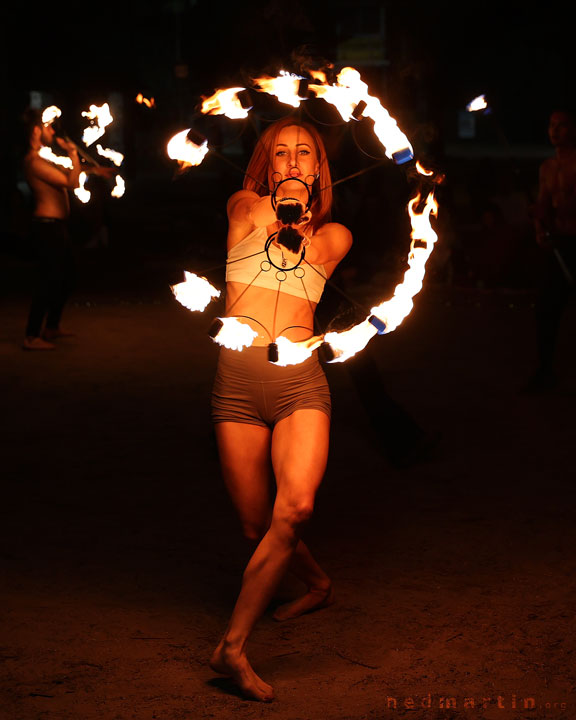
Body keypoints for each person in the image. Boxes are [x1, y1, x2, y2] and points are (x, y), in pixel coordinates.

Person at [209, 117, 352, 701]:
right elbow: (267, 217)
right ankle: (317, 581)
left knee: (292, 511)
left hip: (299, 388)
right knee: (254, 524)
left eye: (304, 155)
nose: (292, 163)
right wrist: (284, 204)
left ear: (319, 169)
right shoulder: (242, 207)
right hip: (237, 390)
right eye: (281, 154)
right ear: (265, 168)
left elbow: (302, 237)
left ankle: (232, 647)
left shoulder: (333, 238)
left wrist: (299, 212)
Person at [20, 108, 114, 351]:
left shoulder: (44, 160)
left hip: (57, 227)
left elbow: (69, 172)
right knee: (48, 280)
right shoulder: (33, 162)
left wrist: (95, 171)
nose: (52, 131)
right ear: (36, 131)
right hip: (46, 228)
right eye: (48, 127)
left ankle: (51, 327)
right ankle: (31, 336)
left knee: (68, 277)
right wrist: (73, 152)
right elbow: (71, 182)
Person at [529, 109, 576, 389]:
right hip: (557, 244)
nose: (555, 130)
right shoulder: (546, 168)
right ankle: (545, 371)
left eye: (562, 125)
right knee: (545, 308)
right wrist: (538, 225)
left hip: (575, 243)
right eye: (552, 125)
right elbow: (544, 203)